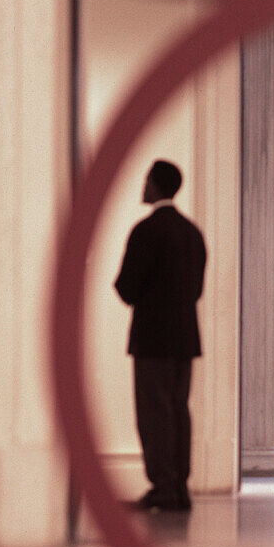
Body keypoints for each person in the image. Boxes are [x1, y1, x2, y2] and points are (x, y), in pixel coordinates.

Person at [114, 160, 207, 511]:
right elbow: (196, 289)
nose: (143, 186)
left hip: (152, 338)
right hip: (185, 337)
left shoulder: (146, 230)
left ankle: (163, 487)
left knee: (154, 413)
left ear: (155, 186)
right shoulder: (192, 233)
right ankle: (180, 486)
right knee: (178, 409)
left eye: (145, 179)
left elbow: (127, 287)